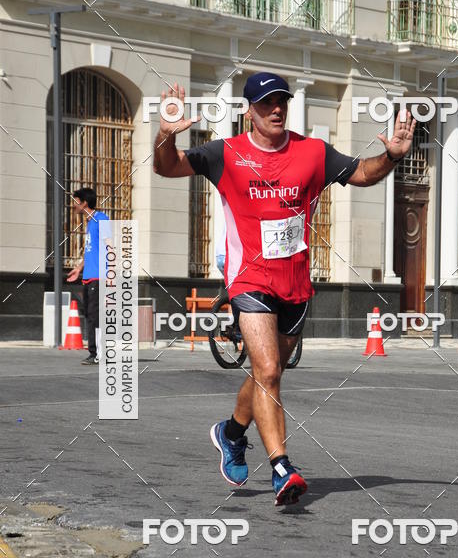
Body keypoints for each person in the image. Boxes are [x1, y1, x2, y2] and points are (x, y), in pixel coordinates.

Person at [153, 72, 415, 505]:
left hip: (295, 282)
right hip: (249, 279)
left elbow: (363, 173)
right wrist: (165, 136)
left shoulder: (312, 153)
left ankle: (231, 432)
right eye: (265, 103)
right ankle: (282, 467)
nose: (276, 109)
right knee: (271, 371)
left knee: (264, 372)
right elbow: (167, 167)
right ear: (248, 111)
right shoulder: (226, 154)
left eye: (282, 102)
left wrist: (391, 157)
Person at [66, 187, 109, 365]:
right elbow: (91, 251)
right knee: (90, 316)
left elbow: (111, 247)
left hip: (99, 277)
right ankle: (94, 352)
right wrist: (79, 268)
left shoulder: (101, 219)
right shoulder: (91, 223)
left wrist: (111, 276)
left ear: (84, 203)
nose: (73, 206)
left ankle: (98, 353)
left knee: (95, 316)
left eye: (76, 202)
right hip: (89, 276)